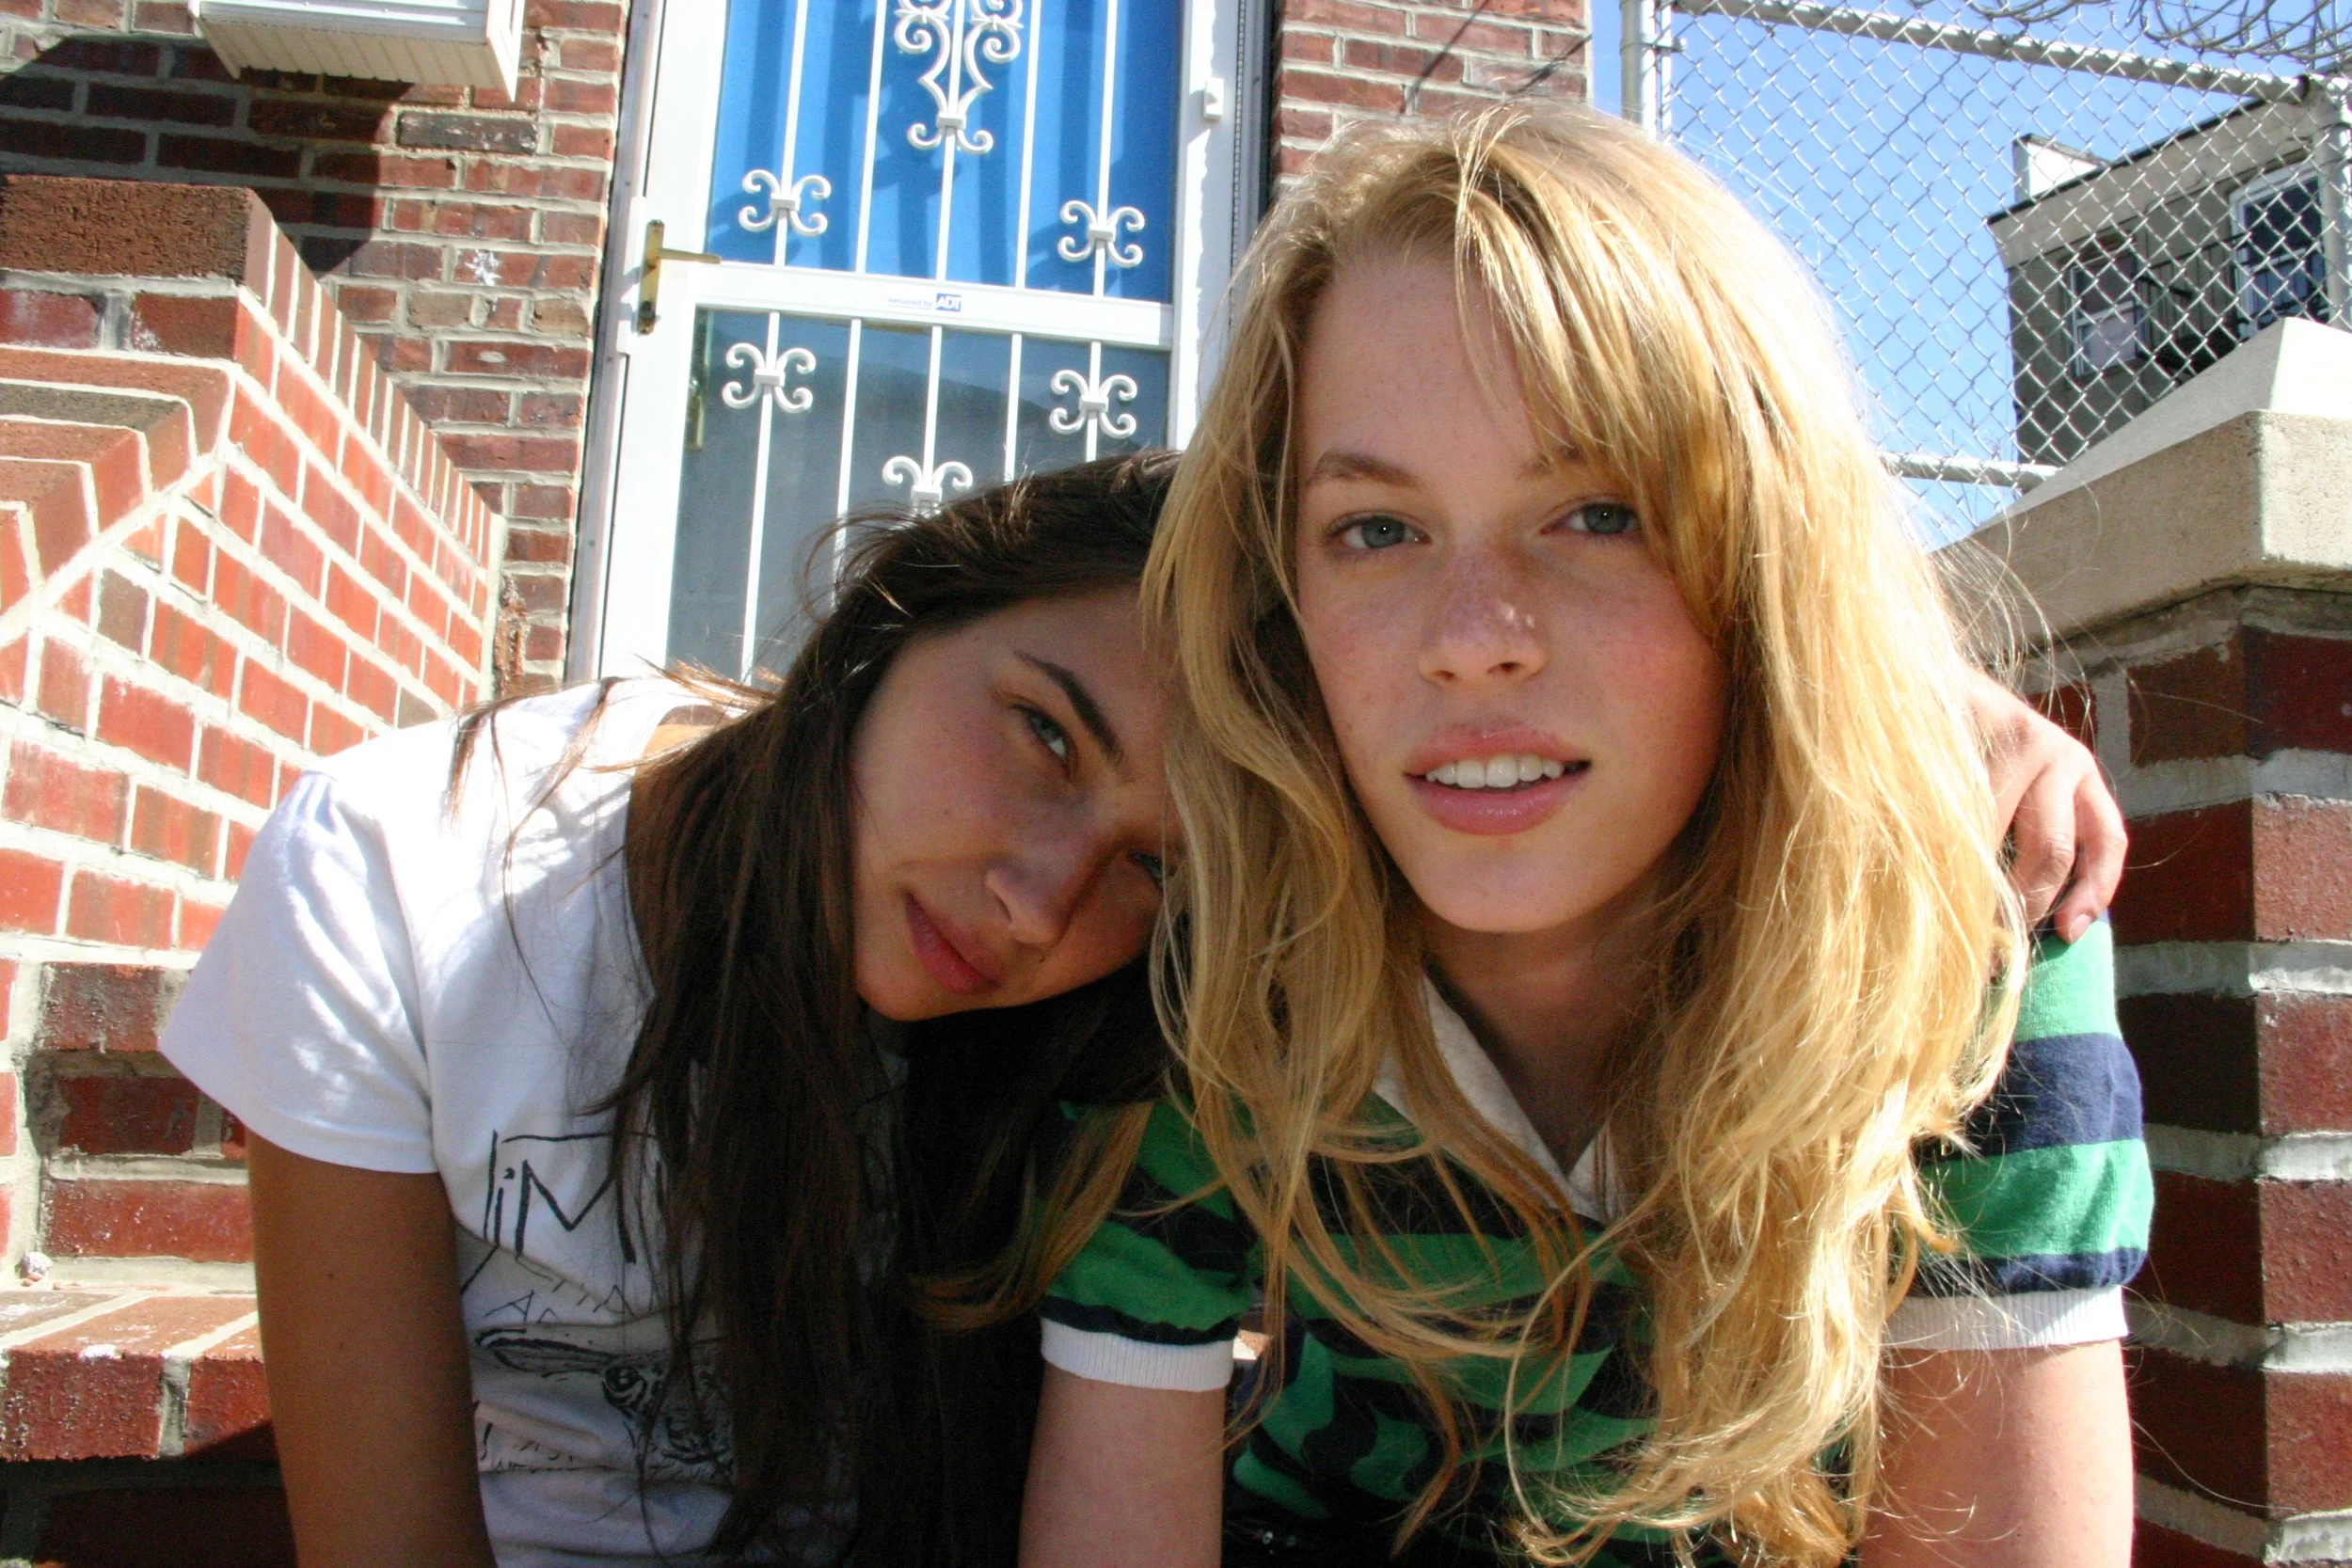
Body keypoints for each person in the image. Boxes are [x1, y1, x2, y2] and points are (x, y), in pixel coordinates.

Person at [167, 388, 2109, 1560]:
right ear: (894, 618)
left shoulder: (1132, 1034)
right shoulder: (409, 875)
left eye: (1154, 871)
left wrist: (1872, 701)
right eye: (1038, 730)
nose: (1035, 901)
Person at [1021, 107, 2152, 1568]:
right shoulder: (1220, 957)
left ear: (1769, 558)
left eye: (1598, 514)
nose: (1473, 638)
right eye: (1376, 528)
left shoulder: (1970, 927)